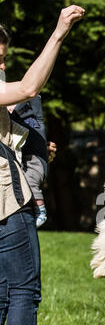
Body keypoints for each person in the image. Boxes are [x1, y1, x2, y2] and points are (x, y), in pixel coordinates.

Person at [0, 5, 85, 325]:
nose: (1, 63)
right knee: (24, 291)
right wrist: (58, 33)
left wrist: (30, 144)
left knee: (1, 292)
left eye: (3, 56)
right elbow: (30, 87)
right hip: (6, 204)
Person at [8, 94, 57, 228]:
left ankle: (40, 211)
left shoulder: (29, 121)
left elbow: (30, 94)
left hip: (33, 159)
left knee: (28, 181)